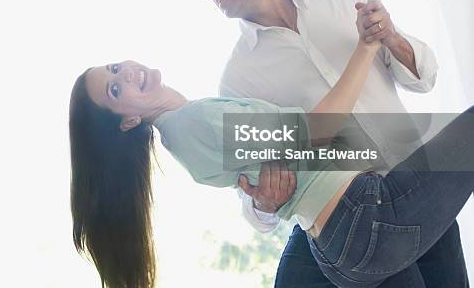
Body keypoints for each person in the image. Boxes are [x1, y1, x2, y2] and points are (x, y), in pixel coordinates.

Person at [69, 31, 474, 288]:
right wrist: (367, 47)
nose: (126, 76)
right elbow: (320, 127)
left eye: (115, 69)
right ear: (128, 122)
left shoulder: (182, 139)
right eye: (115, 91)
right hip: (365, 219)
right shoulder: (197, 122)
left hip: (344, 249)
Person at [190, 0, 467, 287]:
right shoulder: (238, 79)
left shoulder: (341, 3)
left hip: (418, 192)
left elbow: (425, 77)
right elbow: (250, 198)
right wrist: (263, 203)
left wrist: (393, 38)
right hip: (348, 219)